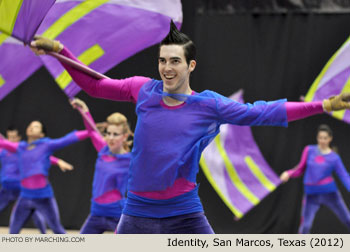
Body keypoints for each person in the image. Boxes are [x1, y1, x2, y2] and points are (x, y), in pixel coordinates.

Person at [30, 21, 350, 234]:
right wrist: (60, 52)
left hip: (185, 212)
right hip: (138, 211)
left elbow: (264, 112)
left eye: (175, 61)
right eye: (162, 61)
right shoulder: (142, 89)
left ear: (190, 65)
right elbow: (96, 86)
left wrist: (321, 105)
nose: (167, 68)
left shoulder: (208, 105)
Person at [0, 120, 89, 233]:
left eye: (36, 126)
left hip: (43, 197)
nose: (31, 127)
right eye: (30, 125)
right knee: (13, 233)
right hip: (25, 196)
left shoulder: (46, 145)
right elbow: (2, 143)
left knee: (56, 229)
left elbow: (67, 139)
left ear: (41, 134)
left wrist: (89, 131)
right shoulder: (21, 147)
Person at [71, 98, 132, 234]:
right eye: (108, 133)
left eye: (115, 134)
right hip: (96, 214)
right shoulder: (103, 150)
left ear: (124, 136)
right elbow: (92, 130)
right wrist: (84, 109)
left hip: (117, 215)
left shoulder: (130, 159)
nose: (110, 137)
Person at [280, 124, 350, 233]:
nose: (322, 140)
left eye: (325, 138)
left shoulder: (334, 158)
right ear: (317, 138)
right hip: (311, 195)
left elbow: (344, 176)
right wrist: (288, 173)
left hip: (330, 194)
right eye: (320, 137)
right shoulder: (309, 150)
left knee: (348, 220)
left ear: (330, 139)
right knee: (305, 227)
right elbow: (300, 168)